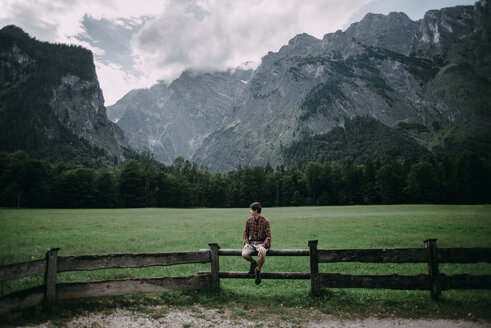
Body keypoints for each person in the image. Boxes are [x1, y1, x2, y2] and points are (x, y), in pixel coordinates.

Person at [242, 201, 271, 285]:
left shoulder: (265, 221)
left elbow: (268, 236)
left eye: (250, 210)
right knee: (244, 254)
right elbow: (245, 234)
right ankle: (253, 262)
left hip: (262, 243)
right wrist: (246, 243)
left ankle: (258, 270)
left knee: (262, 252)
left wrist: (264, 245)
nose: (249, 211)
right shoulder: (249, 221)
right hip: (252, 243)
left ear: (255, 211)